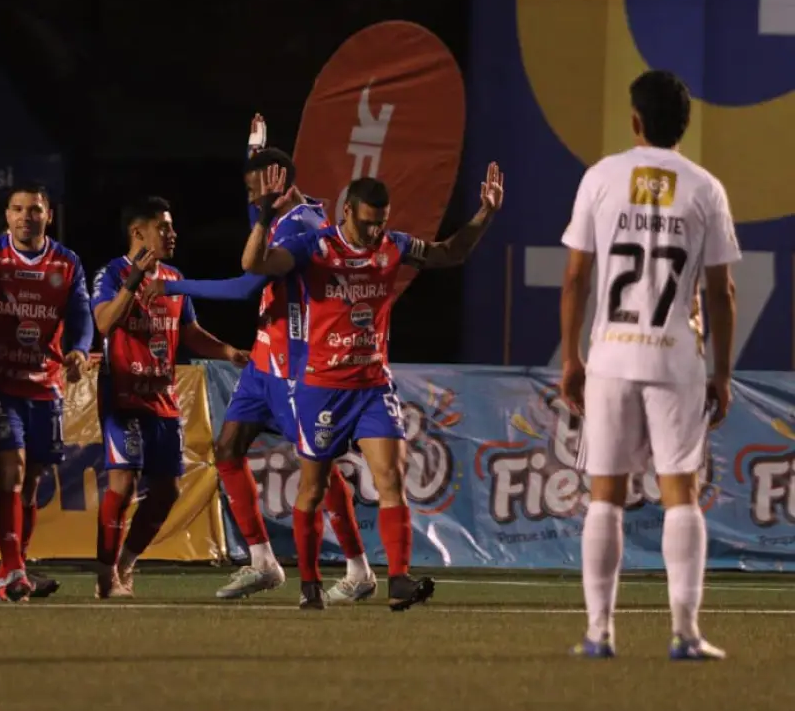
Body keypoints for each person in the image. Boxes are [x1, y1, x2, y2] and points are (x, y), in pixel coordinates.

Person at [244, 164, 503, 609]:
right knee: (312, 488)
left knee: (391, 478)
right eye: (366, 222)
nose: (373, 231)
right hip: (322, 386)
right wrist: (264, 217)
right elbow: (254, 263)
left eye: (380, 222)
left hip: (371, 386)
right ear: (346, 212)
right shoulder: (314, 247)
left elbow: (448, 253)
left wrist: (484, 215)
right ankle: (308, 586)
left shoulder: (393, 246)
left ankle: (398, 581)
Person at [153, 116, 374, 602]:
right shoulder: (278, 213)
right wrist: (253, 147)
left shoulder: (305, 226)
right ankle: (262, 562)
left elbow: (246, 284)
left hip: (297, 366)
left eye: (258, 194)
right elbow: (257, 206)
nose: (253, 204)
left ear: (282, 187)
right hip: (263, 359)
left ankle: (359, 569)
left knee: (316, 466)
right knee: (228, 448)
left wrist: (172, 286)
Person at [559, 69, 739, 660]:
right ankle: (685, 634)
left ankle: (598, 633)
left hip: (610, 354)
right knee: (680, 494)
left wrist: (571, 358)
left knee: (604, 496)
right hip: (675, 359)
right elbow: (722, 292)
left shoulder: (601, 178)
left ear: (635, 121)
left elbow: (577, 277)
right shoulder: (705, 187)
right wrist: (722, 373)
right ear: (684, 125)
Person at [92, 196, 250, 598]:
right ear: (137, 232)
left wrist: (227, 351)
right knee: (123, 484)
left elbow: (190, 331)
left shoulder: (175, 278)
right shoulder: (112, 273)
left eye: (171, 227)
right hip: (123, 395)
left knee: (167, 492)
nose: (172, 233)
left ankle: (126, 561)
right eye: (164, 227)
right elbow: (105, 322)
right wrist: (132, 283)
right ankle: (106, 577)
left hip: (162, 398)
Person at [0, 185, 93, 602]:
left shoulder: (67, 263)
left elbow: (81, 317)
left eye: (34, 210)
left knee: (31, 481)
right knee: (10, 470)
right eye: (17, 209)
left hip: (44, 384)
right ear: (6, 215)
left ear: (48, 215)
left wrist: (80, 350)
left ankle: (13, 571)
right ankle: (10, 569)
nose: (25, 217)